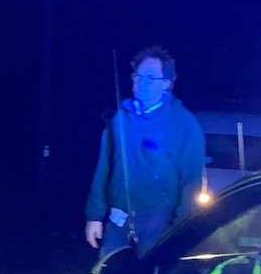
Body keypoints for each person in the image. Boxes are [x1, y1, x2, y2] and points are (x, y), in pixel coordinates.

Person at [85, 45, 206, 257]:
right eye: (137, 77)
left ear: (167, 84)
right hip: (118, 219)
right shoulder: (120, 118)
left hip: (157, 221)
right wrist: (94, 216)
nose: (141, 83)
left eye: (150, 78)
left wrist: (179, 229)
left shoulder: (184, 124)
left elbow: (191, 182)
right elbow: (103, 168)